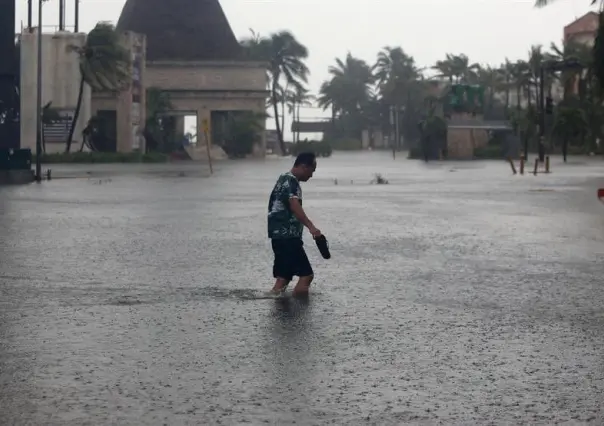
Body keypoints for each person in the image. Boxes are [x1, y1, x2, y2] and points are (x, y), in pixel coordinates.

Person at [267, 152, 321, 296]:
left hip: (278, 237)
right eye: (311, 171)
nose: (311, 176)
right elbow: (294, 205)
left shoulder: (282, 179)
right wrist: (312, 227)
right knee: (306, 275)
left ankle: (279, 312)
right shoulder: (291, 182)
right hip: (288, 237)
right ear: (304, 167)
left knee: (283, 279)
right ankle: (300, 316)